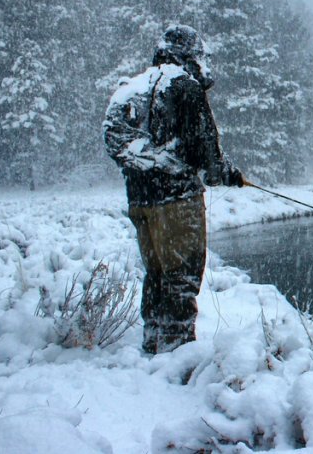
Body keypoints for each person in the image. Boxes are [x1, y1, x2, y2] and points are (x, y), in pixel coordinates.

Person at [103, 24, 244, 354]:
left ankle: (153, 344)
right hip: (178, 203)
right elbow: (204, 152)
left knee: (156, 275)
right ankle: (176, 353)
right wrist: (227, 173)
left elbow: (114, 142)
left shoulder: (131, 88)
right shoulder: (184, 86)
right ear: (191, 54)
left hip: (140, 202)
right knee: (181, 278)